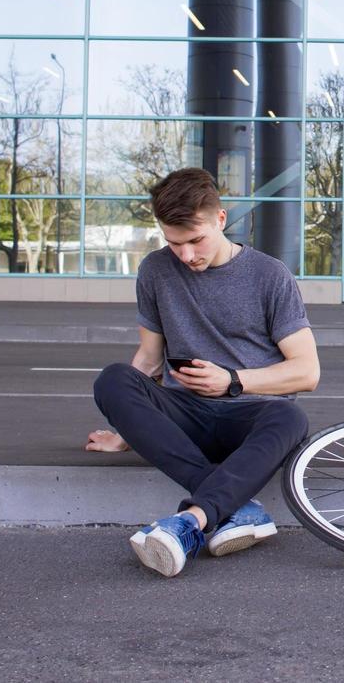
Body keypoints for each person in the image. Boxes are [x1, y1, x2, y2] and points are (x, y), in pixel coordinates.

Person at [85, 167, 319, 577]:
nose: (187, 255)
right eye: (174, 243)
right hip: (186, 414)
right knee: (114, 379)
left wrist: (233, 380)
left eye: (196, 241)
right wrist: (126, 432)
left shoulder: (269, 275)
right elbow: (149, 360)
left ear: (221, 219)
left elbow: (307, 372)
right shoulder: (155, 271)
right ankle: (235, 505)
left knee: (291, 417)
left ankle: (190, 522)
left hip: (249, 416)